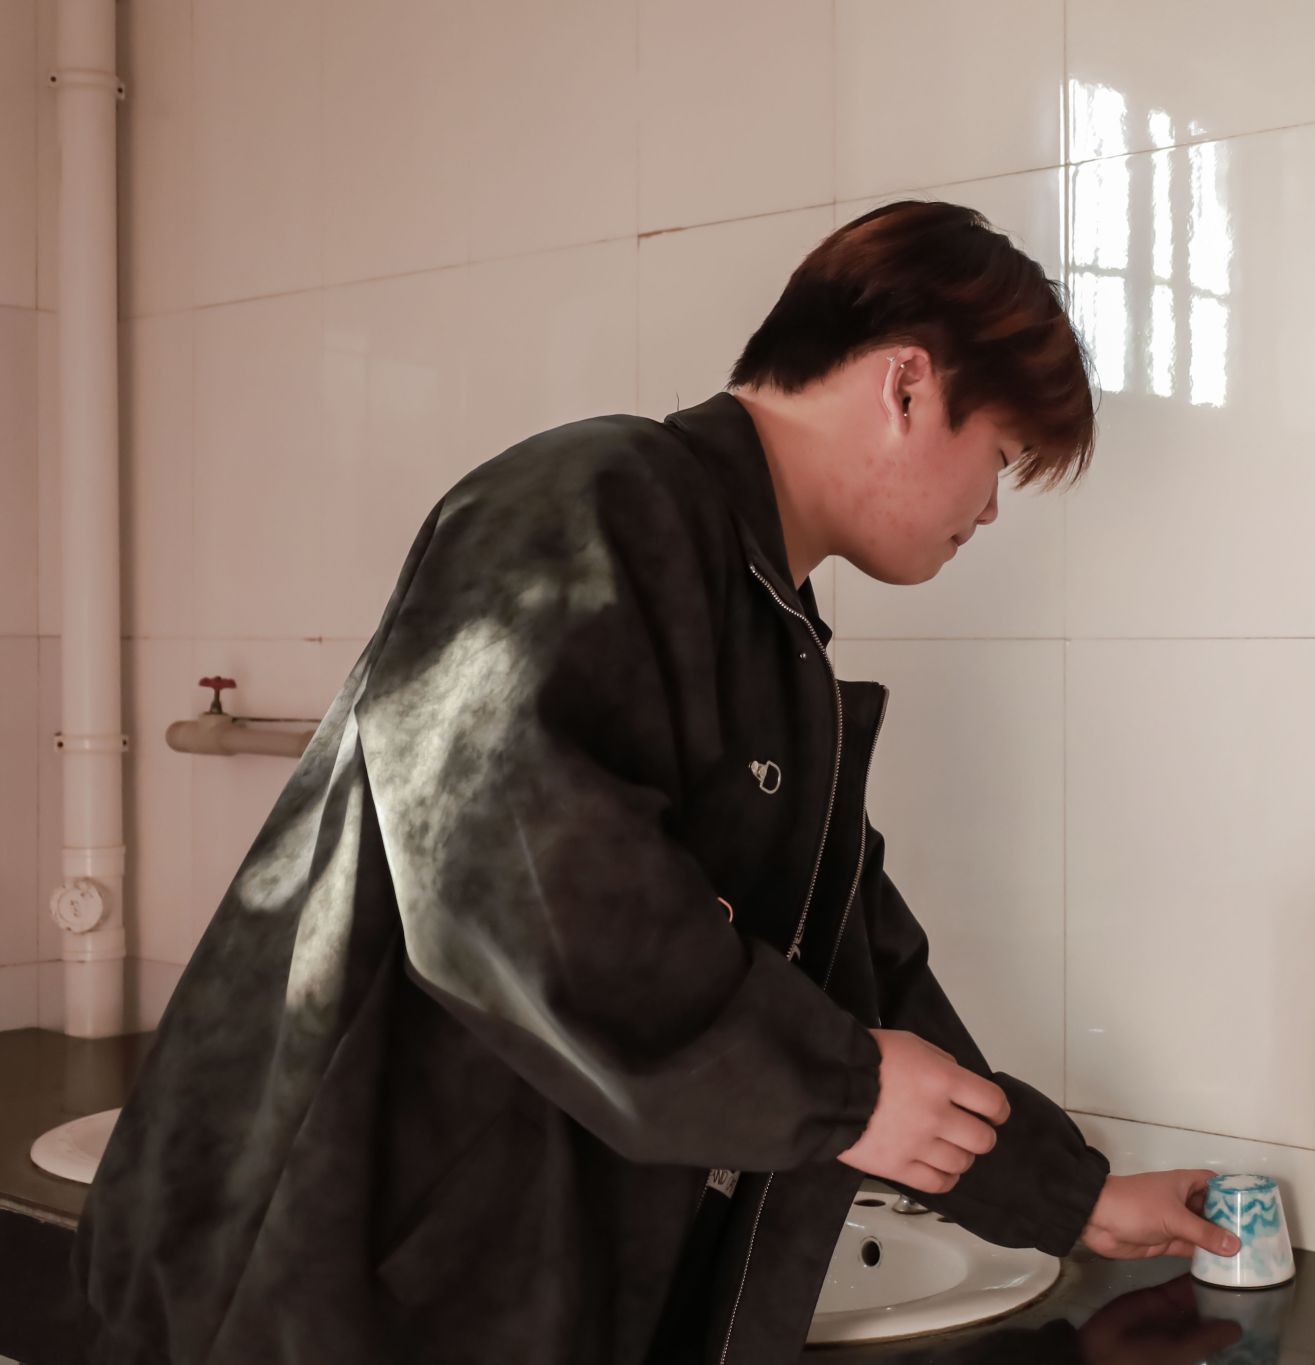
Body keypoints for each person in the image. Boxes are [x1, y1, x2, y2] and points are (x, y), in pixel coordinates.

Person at [76, 200, 1240, 1365]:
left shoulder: (768, 632)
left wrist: (1071, 1198)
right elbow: (512, 871)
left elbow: (856, 974)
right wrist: (839, 1088)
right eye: (998, 458)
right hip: (332, 1274)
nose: (987, 508)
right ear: (903, 386)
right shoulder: (590, 499)